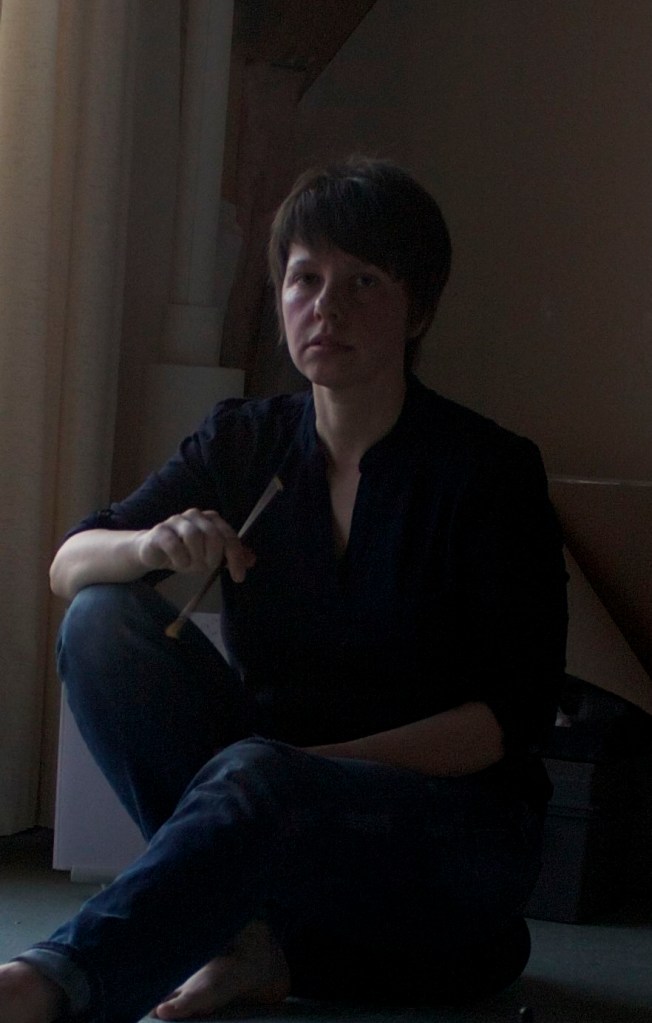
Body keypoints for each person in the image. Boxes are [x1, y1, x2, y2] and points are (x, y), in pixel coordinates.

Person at [0, 157, 568, 1023]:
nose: (326, 307)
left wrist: (297, 772)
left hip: (446, 829)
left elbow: (504, 721)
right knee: (101, 620)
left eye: (363, 281)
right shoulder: (245, 440)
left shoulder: (489, 472)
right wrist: (150, 543)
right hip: (267, 795)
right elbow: (67, 563)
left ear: (417, 309)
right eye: (305, 279)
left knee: (261, 776)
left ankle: (51, 983)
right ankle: (249, 937)